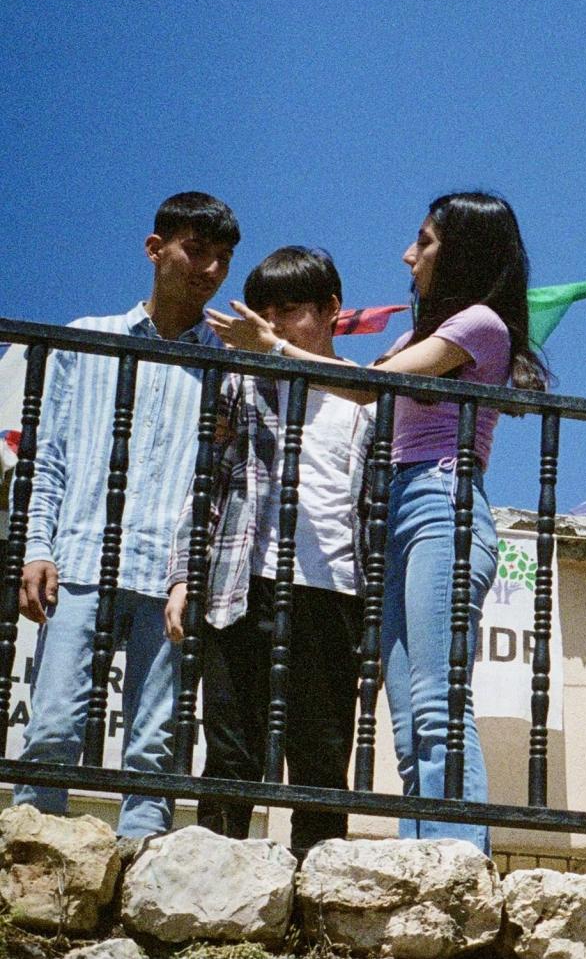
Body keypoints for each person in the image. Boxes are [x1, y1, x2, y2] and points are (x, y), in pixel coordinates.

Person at [209, 192, 545, 850]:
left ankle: (454, 856)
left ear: (463, 251)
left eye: (424, 241)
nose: (407, 254)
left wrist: (273, 346)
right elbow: (360, 381)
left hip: (440, 504)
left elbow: (367, 389)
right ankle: (423, 852)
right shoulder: (413, 336)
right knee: (406, 716)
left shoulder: (480, 323)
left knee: (437, 703)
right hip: (397, 511)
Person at [15, 191, 240, 837]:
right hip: (82, 553)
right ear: (155, 249)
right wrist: (36, 544)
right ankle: (32, 864)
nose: (209, 271)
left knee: (154, 749)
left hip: (164, 572)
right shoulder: (88, 339)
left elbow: (219, 487)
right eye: (196, 251)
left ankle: (142, 871)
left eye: (221, 259)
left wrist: (189, 571)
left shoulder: (223, 367)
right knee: (52, 728)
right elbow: (48, 456)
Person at [165, 247, 373, 856]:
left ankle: (318, 899)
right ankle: (212, 888)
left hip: (335, 590)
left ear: (332, 309)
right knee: (231, 748)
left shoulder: (363, 394)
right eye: (263, 312)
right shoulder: (241, 384)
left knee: (321, 758)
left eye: (289, 310)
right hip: (241, 582)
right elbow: (206, 483)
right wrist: (184, 575)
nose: (273, 325)